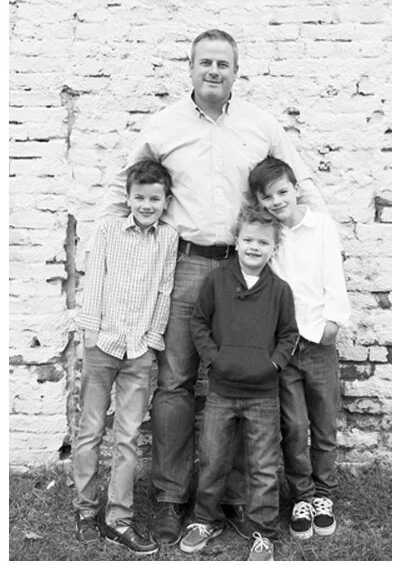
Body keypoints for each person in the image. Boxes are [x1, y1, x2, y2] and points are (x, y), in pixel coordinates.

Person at [96, 28, 325, 545]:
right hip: (187, 265)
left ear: (236, 71)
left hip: (250, 269)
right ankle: (174, 500)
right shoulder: (164, 126)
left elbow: (301, 183)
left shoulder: (261, 125)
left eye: (223, 63)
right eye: (205, 63)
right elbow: (122, 185)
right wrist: (111, 248)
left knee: (249, 379)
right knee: (176, 382)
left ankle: (239, 499)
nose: (214, 71)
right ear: (191, 68)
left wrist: (314, 239)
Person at [179, 205, 298, 561]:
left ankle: (262, 530)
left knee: (263, 465)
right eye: (248, 239)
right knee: (213, 458)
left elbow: (288, 334)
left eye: (263, 242)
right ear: (236, 241)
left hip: (263, 393)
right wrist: (214, 359)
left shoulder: (280, 290)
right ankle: (205, 519)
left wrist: (274, 364)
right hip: (221, 391)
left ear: (274, 248)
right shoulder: (216, 281)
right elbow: (199, 323)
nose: (255, 247)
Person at [73, 160, 178, 555]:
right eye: (140, 197)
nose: (147, 205)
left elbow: (164, 288)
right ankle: (85, 510)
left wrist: (153, 339)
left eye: (155, 198)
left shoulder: (168, 238)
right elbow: (95, 278)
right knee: (91, 430)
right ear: (128, 198)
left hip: (139, 348)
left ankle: (120, 519)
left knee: (128, 436)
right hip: (102, 342)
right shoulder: (108, 230)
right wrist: (91, 331)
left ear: (166, 201)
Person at [249, 155, 351, 539]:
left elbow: (334, 272)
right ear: (259, 202)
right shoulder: (269, 234)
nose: (276, 201)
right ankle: (302, 496)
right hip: (285, 346)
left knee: (324, 424)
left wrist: (333, 321)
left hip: (319, 341)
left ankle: (324, 494)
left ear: (294, 188)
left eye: (282, 192)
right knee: (294, 425)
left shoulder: (319, 226)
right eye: (267, 197)